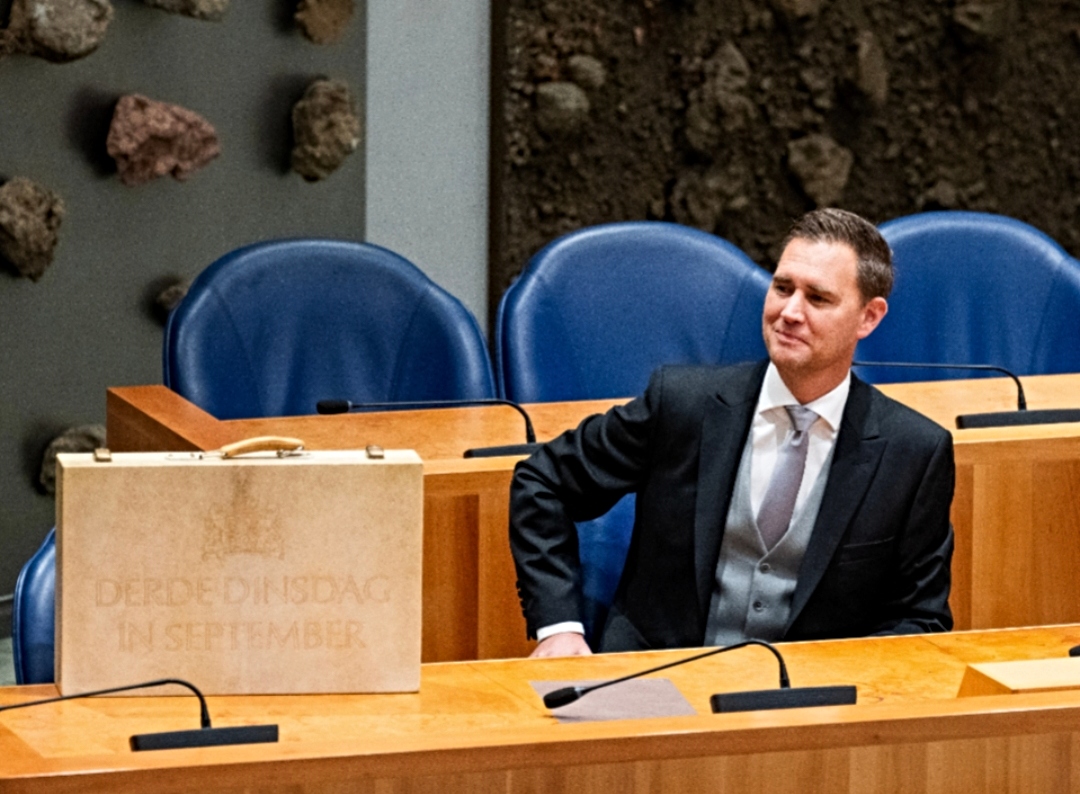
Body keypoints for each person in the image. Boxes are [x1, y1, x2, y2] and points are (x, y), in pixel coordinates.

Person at [510, 208, 955, 658]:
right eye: (783, 288)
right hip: (654, 682)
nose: (790, 312)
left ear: (869, 317)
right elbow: (543, 481)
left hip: (812, 706)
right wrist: (560, 627)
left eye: (818, 298)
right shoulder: (682, 404)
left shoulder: (913, 452)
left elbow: (921, 618)